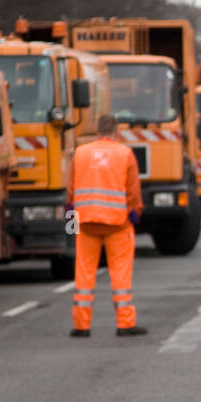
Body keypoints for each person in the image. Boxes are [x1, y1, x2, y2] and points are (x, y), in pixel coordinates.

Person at [65, 113, 146, 337]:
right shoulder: (125, 153)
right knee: (120, 274)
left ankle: (81, 326)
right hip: (117, 224)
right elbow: (133, 191)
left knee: (84, 272)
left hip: (86, 222)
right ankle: (125, 323)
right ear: (116, 131)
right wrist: (135, 213)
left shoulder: (80, 153)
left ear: (97, 130)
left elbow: (71, 190)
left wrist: (71, 217)